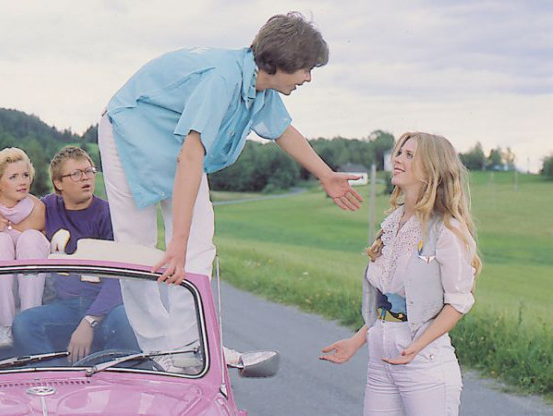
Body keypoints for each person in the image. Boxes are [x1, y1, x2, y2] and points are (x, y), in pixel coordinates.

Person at [98, 11, 363, 362]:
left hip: (176, 142)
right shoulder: (222, 79)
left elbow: (282, 130)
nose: (309, 78)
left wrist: (326, 174)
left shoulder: (259, 85)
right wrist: (176, 242)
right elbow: (191, 156)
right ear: (282, 61)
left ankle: (187, 346)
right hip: (129, 129)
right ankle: (157, 348)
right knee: (137, 244)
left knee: (199, 242)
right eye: (306, 68)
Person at [319, 132, 482, 416]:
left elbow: (458, 301)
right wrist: (357, 341)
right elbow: (390, 300)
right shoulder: (393, 223)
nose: (397, 159)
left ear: (431, 169)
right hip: (381, 361)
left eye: (409, 155)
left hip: (424, 364)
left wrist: (417, 346)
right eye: (399, 153)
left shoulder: (446, 229)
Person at [12, 146, 139, 364]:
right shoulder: (47, 207)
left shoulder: (108, 214)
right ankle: (57, 377)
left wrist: (90, 320)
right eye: (76, 174)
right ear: (58, 183)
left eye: (89, 171)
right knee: (24, 324)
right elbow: (8, 207)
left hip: (106, 308)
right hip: (66, 306)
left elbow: (120, 276)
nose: (86, 178)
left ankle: (109, 376)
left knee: (126, 320)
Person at [0, 147, 49, 348]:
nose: (22, 181)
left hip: (30, 283)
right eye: (13, 177)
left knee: (31, 237)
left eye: (25, 175)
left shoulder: (37, 207)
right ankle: (4, 326)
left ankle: (29, 322)